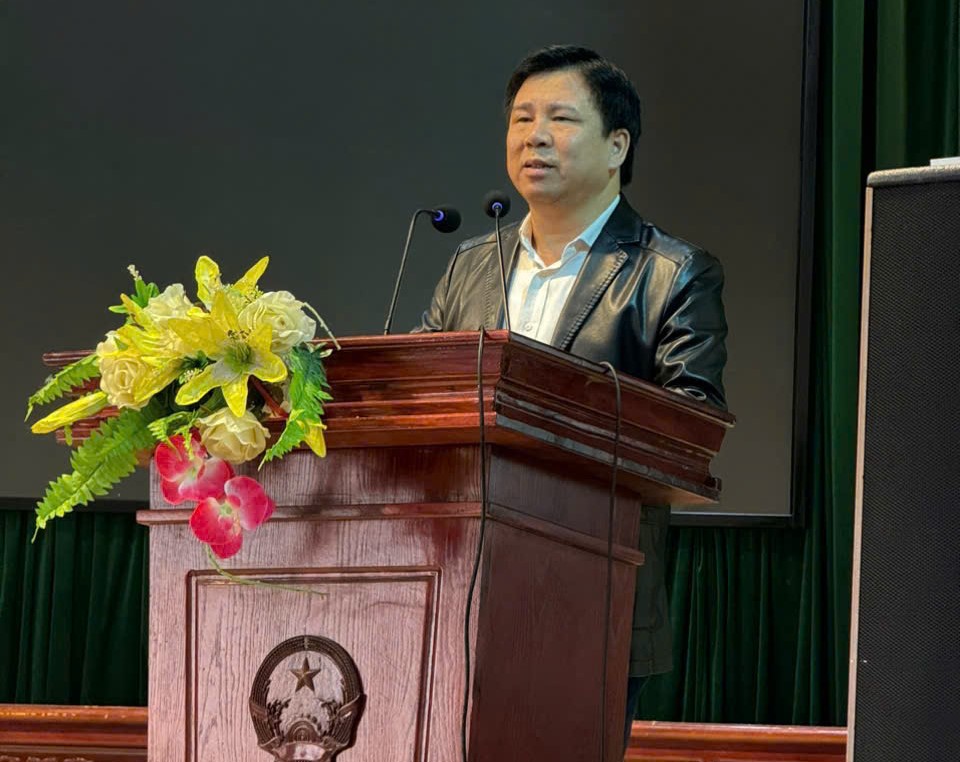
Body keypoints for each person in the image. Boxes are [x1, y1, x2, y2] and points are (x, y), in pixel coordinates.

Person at [414, 44, 727, 748]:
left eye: (560, 118)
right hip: (455, 584)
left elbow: (692, 428)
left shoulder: (672, 272)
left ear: (617, 145)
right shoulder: (469, 265)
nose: (534, 136)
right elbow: (426, 394)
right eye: (522, 119)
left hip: (592, 592)